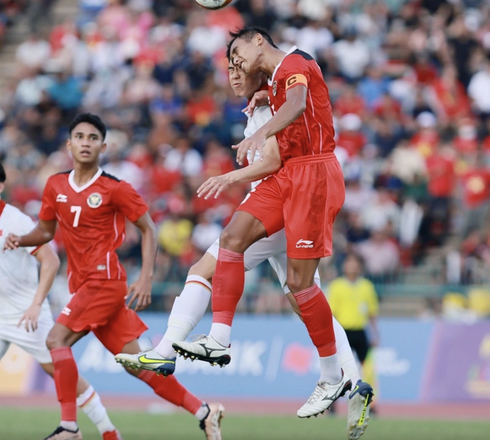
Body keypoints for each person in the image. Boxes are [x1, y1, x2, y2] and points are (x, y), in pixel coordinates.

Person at [116, 57, 373, 440]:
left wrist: (232, 176)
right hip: (287, 207)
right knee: (304, 297)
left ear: (258, 72)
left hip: (273, 210)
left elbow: (272, 161)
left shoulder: (269, 106)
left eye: (239, 69)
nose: (233, 76)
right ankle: (354, 381)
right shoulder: (266, 102)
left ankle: (169, 349)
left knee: (202, 270)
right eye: (230, 70)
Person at [171, 26, 365, 421]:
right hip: (288, 176)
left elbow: (296, 104)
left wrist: (259, 131)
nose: (236, 62)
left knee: (299, 286)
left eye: (238, 52)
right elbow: (285, 100)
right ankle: (219, 338)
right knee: (231, 236)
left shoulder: (295, 62)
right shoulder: (275, 82)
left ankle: (332, 374)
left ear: (259, 40)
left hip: (313, 175)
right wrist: (265, 96)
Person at [4, 114, 224, 440]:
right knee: (137, 365)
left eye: (93, 138)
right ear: (68, 144)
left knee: (55, 341)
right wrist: (21, 240)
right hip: (84, 284)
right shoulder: (56, 185)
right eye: (79, 136)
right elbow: (45, 230)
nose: (85, 142)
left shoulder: (115, 188)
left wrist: (146, 276)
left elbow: (149, 228)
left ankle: (68, 427)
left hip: (103, 281)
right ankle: (204, 411)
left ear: (103, 146)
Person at [0, 159, 121, 440]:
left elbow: (51, 261)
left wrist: (35, 304)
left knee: (62, 374)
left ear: (1, 185)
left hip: (27, 313)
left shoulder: (16, 220)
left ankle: (109, 431)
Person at [328, 253, 380, 371]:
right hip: (343, 331)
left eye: (355, 263)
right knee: (342, 366)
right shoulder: (336, 286)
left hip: (361, 331)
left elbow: (372, 313)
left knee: (366, 366)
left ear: (360, 266)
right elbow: (331, 314)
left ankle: (367, 389)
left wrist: (375, 334)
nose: (352, 266)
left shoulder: (367, 286)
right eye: (349, 263)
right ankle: (343, 389)